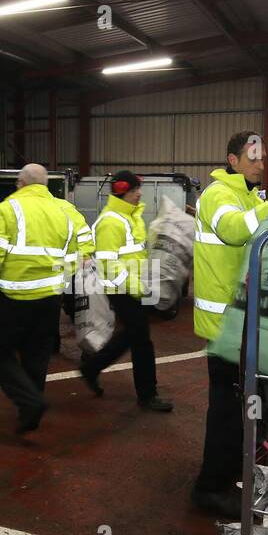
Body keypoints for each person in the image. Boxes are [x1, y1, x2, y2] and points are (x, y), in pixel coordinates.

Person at [190, 130, 268, 517]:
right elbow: (233, 230)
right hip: (223, 323)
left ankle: (240, 471)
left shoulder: (247, 196)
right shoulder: (217, 195)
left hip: (242, 320)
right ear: (232, 160)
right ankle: (211, 488)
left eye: (264, 157)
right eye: (253, 156)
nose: (261, 163)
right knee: (227, 411)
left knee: (248, 405)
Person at [0, 163, 77, 434]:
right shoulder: (63, 212)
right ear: (45, 185)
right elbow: (72, 255)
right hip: (50, 297)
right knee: (37, 354)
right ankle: (30, 412)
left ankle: (30, 402)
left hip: (16, 296)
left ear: (21, 183)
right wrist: (59, 283)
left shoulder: (7, 209)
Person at [78, 171, 173, 413]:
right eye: (134, 190)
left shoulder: (132, 217)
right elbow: (109, 265)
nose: (139, 193)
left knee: (132, 335)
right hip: (121, 288)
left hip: (133, 286)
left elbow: (136, 254)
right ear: (122, 192)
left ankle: (92, 368)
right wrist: (137, 288)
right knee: (142, 340)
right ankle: (147, 394)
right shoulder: (111, 221)